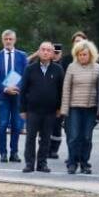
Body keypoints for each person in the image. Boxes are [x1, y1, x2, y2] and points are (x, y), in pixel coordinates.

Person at [18, 41, 64, 174]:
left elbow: (61, 90)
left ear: (52, 54)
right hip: (32, 110)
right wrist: (22, 109)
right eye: (43, 49)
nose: (45, 52)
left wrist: (60, 108)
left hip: (50, 111)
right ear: (38, 51)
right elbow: (23, 89)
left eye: (48, 50)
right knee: (30, 137)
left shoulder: (58, 70)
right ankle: (29, 163)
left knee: (46, 138)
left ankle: (42, 163)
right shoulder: (30, 69)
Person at [61, 39, 99, 175]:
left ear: (90, 55)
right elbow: (66, 89)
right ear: (76, 55)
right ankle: (72, 163)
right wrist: (64, 110)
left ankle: (85, 163)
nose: (82, 57)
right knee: (73, 137)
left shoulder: (97, 68)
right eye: (80, 54)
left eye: (85, 54)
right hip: (74, 108)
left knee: (86, 137)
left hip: (90, 108)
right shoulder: (71, 67)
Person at [0, 30, 27, 164]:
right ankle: (3, 153)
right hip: (3, 95)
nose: (8, 41)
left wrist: (16, 87)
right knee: (2, 125)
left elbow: (25, 75)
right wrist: (6, 88)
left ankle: (14, 153)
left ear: (15, 40)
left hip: (17, 95)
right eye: (6, 39)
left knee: (17, 125)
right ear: (2, 40)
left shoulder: (22, 56)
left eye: (10, 39)